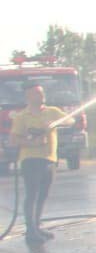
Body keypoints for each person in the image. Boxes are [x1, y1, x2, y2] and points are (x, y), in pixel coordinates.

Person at [10, 84, 64, 243]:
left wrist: (56, 122)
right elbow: (13, 140)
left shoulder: (52, 111)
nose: (41, 95)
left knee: (43, 194)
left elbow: (71, 120)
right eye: (37, 93)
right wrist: (33, 142)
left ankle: (37, 226)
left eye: (42, 92)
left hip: (49, 159)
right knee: (32, 194)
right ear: (29, 96)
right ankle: (30, 231)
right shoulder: (22, 117)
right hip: (31, 160)